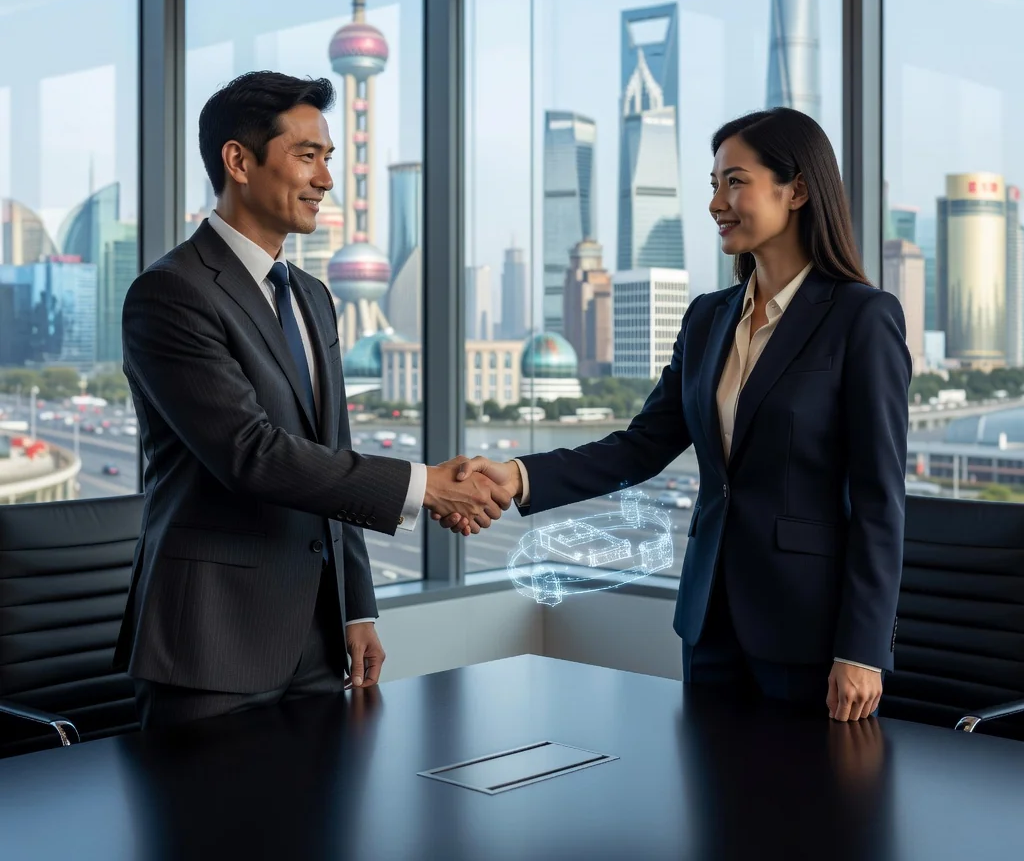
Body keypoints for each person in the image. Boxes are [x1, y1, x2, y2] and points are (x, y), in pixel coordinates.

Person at [445, 108, 911, 721]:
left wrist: (863, 649)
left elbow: (880, 499)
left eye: (735, 181)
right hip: (708, 618)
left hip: (811, 631)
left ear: (796, 189)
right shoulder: (708, 318)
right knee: (710, 804)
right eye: (713, 185)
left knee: (808, 811)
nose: (717, 202)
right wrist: (518, 476)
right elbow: (639, 446)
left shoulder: (861, 318)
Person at [115, 71, 507, 728]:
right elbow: (251, 455)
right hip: (212, 644)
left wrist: (357, 606)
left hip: (320, 643)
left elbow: (333, 456)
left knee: (318, 828)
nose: (326, 180)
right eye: (306, 156)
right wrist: (426, 486)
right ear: (238, 161)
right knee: (210, 831)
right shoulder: (171, 294)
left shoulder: (313, 297)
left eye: (328, 158)